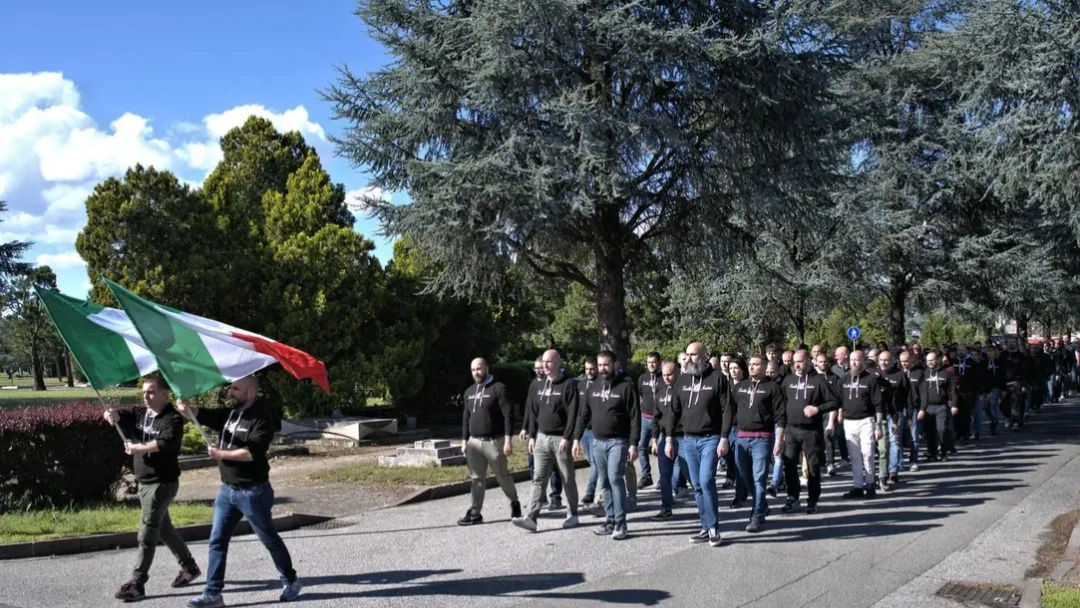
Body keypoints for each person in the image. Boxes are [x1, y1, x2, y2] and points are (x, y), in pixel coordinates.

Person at [177, 376, 302, 607]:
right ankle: (213, 593)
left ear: (251, 392)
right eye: (231, 387)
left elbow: (252, 452)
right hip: (227, 491)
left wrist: (221, 454)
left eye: (235, 388)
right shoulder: (231, 413)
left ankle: (291, 580)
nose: (230, 392)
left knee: (268, 539)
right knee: (217, 541)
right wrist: (187, 408)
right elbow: (202, 415)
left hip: (253, 492)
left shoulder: (261, 418)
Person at [104, 376, 200, 602]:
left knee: (147, 532)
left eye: (151, 392)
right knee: (163, 528)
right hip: (144, 483)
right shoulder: (141, 413)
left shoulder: (173, 419)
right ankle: (189, 567)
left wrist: (139, 447)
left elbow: (165, 443)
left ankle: (137, 583)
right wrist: (111, 415)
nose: (146, 397)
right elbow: (121, 417)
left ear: (165, 393)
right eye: (144, 392)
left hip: (162, 484)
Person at [665, 342, 729, 545]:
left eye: (693, 355)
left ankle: (713, 528)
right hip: (687, 440)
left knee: (706, 480)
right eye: (688, 355)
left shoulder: (718, 379)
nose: (689, 358)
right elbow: (673, 411)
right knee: (697, 486)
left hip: (711, 438)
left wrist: (724, 437)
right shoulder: (682, 381)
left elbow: (727, 409)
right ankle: (704, 526)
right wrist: (668, 438)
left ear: (704, 356)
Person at [574, 350, 639, 540]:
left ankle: (621, 522)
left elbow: (635, 417)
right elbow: (583, 414)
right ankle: (610, 519)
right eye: (600, 365)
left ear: (614, 364)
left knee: (615, 478)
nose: (602, 369)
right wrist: (576, 438)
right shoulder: (591, 387)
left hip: (618, 441)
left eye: (606, 365)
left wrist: (633, 444)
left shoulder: (625, 387)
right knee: (604, 482)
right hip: (597, 441)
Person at [513, 350, 581, 532]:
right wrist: (532, 435)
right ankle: (532, 517)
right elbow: (533, 412)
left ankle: (573, 513)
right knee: (539, 477)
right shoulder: (537, 385)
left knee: (567, 478)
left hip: (560, 439)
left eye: (549, 362)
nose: (545, 365)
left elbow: (573, 414)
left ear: (558, 363)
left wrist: (568, 437)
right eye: (543, 361)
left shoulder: (568, 385)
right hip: (542, 438)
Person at [458, 358, 522, 525]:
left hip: (495, 442)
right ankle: (475, 512)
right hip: (474, 443)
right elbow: (466, 417)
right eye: (473, 370)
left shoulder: (498, 389)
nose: (476, 373)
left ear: (486, 368)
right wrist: (464, 440)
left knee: (502, 476)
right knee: (476, 479)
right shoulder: (469, 392)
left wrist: (508, 440)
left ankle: (514, 503)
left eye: (479, 369)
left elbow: (509, 415)